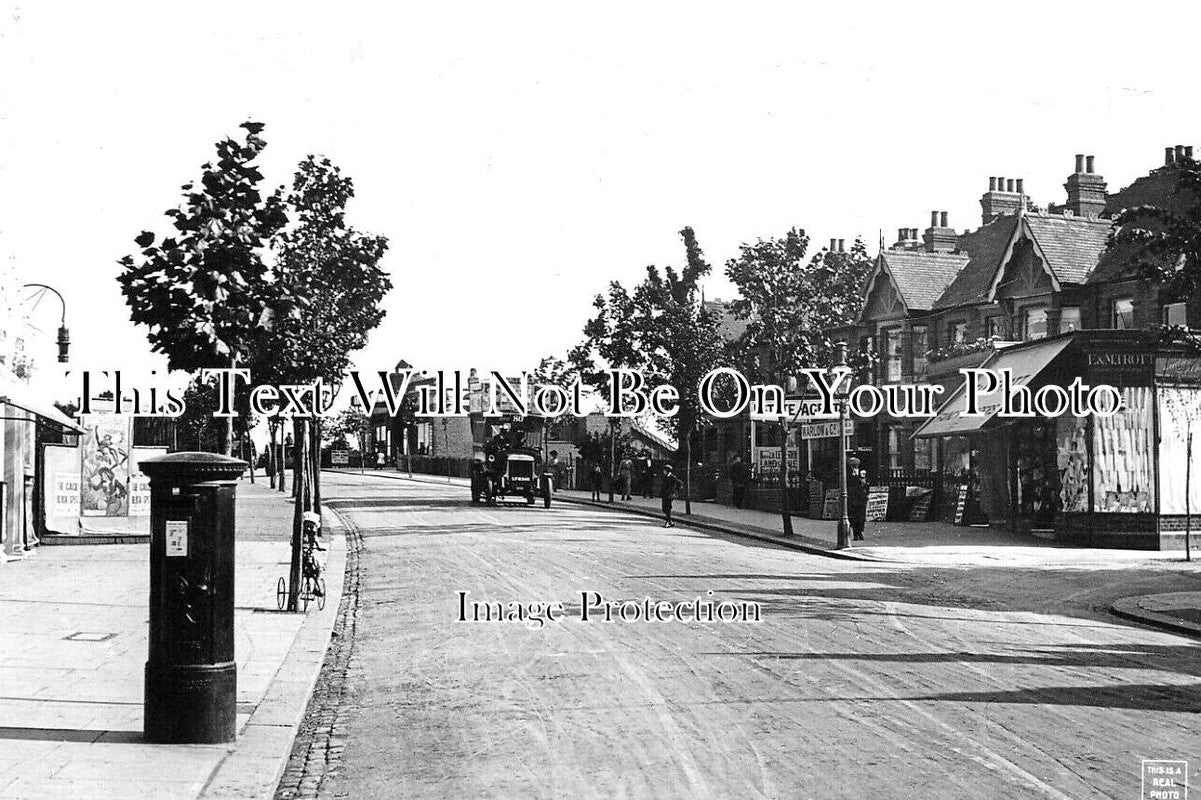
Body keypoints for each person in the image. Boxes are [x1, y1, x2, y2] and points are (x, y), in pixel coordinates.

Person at [846, 456, 868, 541]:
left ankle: (860, 531)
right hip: (853, 498)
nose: (853, 466)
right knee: (854, 517)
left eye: (854, 465)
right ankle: (856, 534)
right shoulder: (848, 474)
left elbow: (866, 484)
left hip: (861, 498)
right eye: (852, 465)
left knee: (861, 516)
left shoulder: (863, 472)